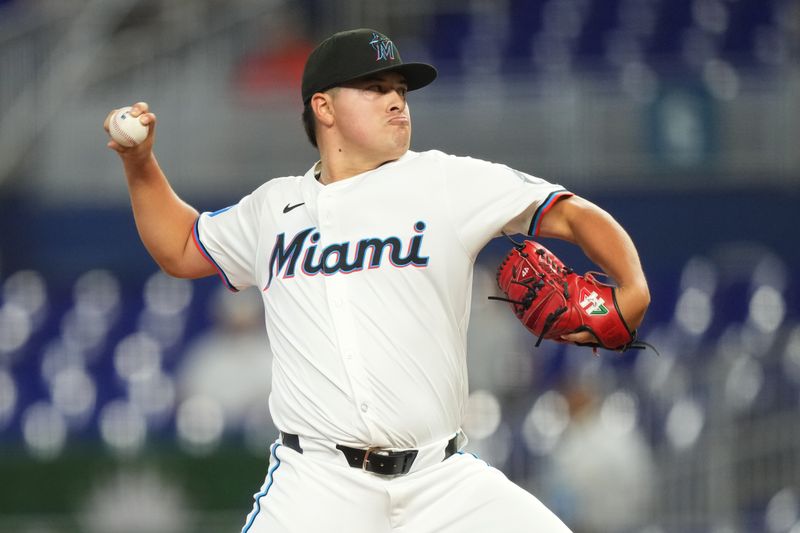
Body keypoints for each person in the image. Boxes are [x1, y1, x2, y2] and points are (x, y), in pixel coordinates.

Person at [104, 28, 650, 533]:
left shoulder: (445, 180)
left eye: (401, 91)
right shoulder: (274, 208)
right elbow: (180, 246)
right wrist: (140, 164)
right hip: (317, 484)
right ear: (324, 107)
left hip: (442, 481)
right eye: (374, 87)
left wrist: (631, 286)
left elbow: (570, 213)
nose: (396, 100)